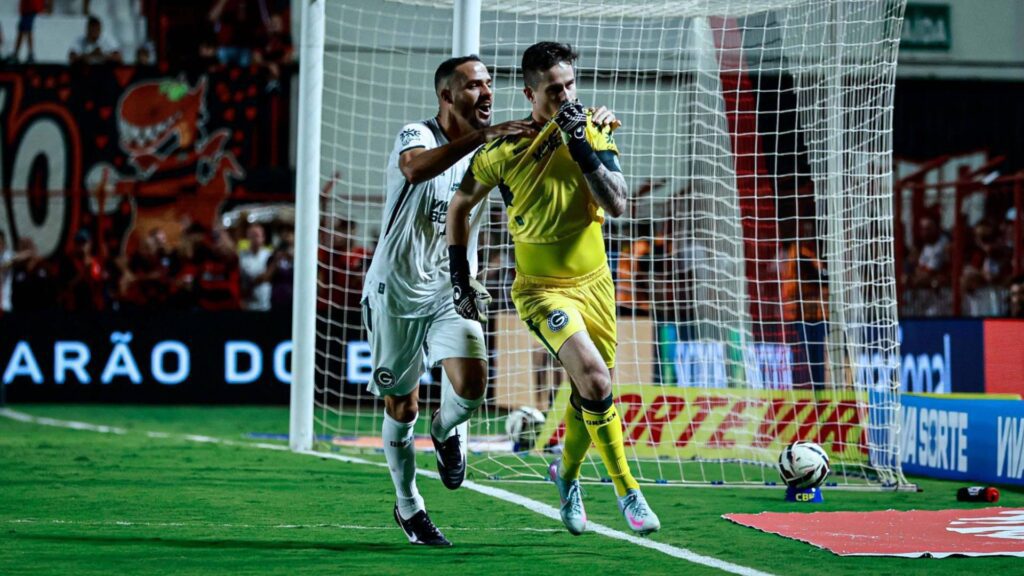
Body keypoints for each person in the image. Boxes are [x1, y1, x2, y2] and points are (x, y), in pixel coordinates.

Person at [447, 41, 660, 536]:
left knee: (590, 388)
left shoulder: (592, 129)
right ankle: (628, 490)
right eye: (553, 89)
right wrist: (462, 276)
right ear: (529, 92)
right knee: (596, 380)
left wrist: (582, 145)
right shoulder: (502, 149)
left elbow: (618, 204)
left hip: (596, 284)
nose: (565, 96)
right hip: (542, 288)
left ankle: (564, 476)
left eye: (569, 86)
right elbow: (460, 208)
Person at [361, 55, 536, 547]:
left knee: (473, 384)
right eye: (473, 85)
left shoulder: (491, 151)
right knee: (401, 404)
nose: (486, 93)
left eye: (488, 84)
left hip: (449, 288)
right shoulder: (416, 134)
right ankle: (409, 506)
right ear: (447, 96)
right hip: (394, 291)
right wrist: (483, 138)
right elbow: (414, 171)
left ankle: (445, 431)